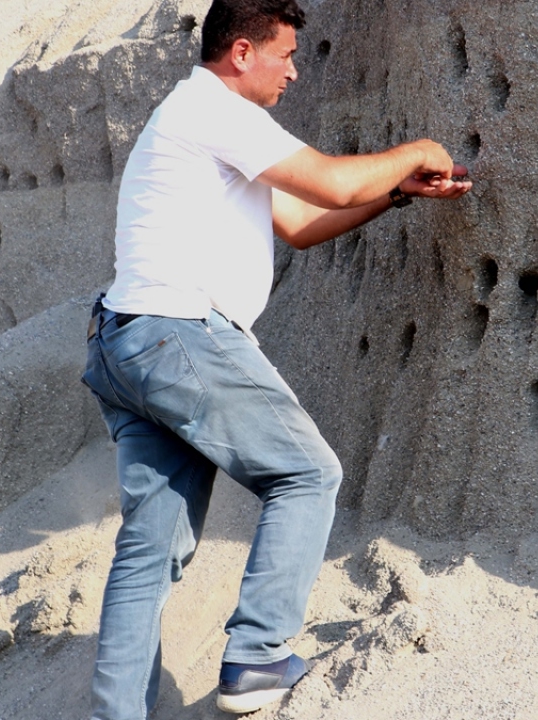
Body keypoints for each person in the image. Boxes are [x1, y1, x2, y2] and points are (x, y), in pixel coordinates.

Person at [79, 1, 472, 718]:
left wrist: (396, 196)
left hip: (125, 341)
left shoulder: (196, 119)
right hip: (178, 334)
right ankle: (258, 658)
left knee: (150, 549)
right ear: (240, 53)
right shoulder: (216, 110)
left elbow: (298, 224)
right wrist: (417, 150)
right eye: (285, 55)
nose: (295, 70)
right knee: (307, 473)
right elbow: (328, 181)